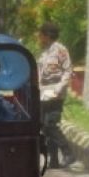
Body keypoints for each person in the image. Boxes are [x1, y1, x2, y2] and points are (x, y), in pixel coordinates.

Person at [37, 22, 75, 169]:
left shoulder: (60, 50)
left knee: (51, 124)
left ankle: (68, 152)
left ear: (46, 36)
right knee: (45, 128)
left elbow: (68, 70)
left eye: (40, 35)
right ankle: (54, 161)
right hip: (43, 94)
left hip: (55, 94)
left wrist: (59, 88)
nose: (39, 38)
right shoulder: (44, 52)